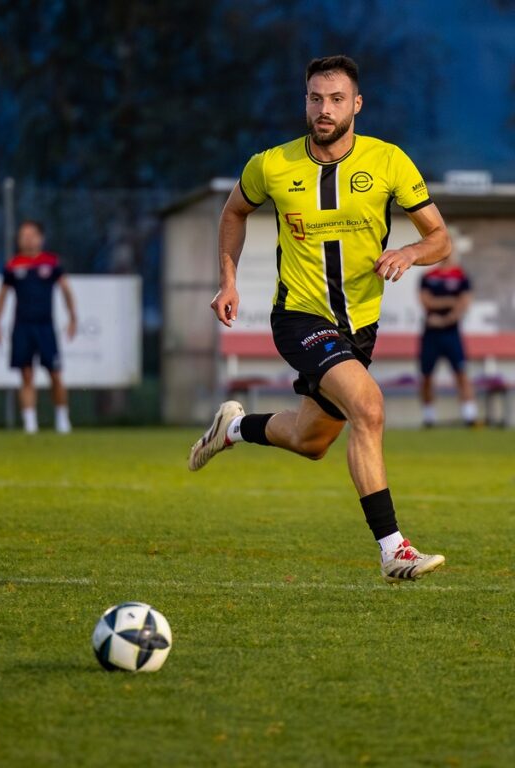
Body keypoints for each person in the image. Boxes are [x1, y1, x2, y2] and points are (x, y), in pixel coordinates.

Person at [188, 56, 452, 583]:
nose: (324, 109)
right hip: (299, 315)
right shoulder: (271, 165)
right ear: (305, 102)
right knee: (369, 407)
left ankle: (232, 428)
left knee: (311, 440)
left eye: (336, 99)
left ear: (357, 104)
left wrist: (409, 252)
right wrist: (229, 281)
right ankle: (394, 550)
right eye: (315, 98)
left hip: (360, 326)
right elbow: (234, 211)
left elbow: (439, 238)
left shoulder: (389, 161)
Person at [0, 220, 77, 434]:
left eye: (31, 235)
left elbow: (66, 290)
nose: (27, 239)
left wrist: (73, 317)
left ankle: (62, 419)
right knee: (26, 374)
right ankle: (30, 423)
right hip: (22, 326)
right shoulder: (13, 265)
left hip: (45, 326)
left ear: (40, 238)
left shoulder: (51, 262)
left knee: (55, 373)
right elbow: (1, 296)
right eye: (23, 236)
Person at [419, 253, 477, 427]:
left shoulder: (461, 277)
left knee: (461, 373)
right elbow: (427, 301)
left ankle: (469, 416)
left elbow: (464, 302)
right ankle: (429, 417)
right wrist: (450, 300)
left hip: (452, 333)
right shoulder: (428, 276)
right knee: (427, 375)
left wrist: (444, 319)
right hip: (431, 334)